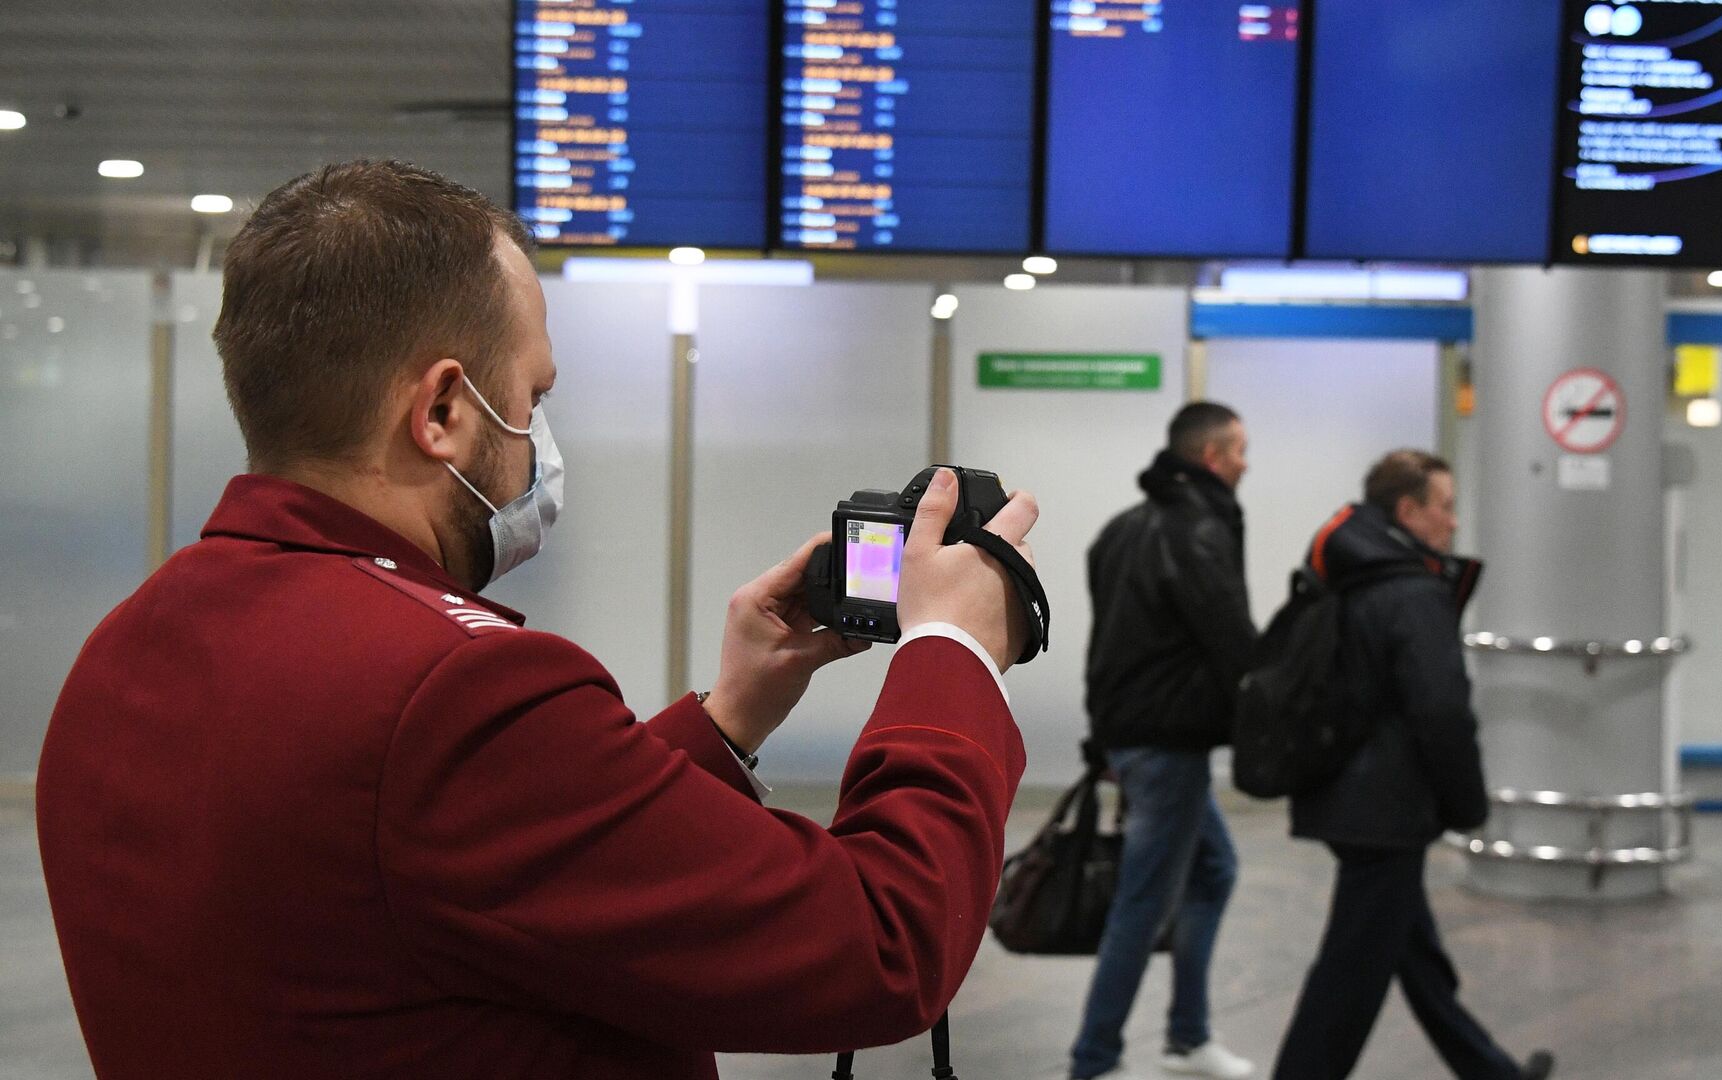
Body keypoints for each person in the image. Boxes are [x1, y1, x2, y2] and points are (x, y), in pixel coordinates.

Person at [35, 160, 1041, 1080]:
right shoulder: (448, 688)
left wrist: (728, 715)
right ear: (442, 412)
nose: (540, 440)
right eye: (534, 394)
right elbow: (877, 948)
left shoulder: (127, 646)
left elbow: (464, 873)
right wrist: (950, 653)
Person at [1272, 450, 1551, 1080]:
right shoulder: (1412, 593)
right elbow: (1443, 712)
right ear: (1408, 510)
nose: (1454, 523)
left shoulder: (1345, 576)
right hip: (1385, 810)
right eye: (1444, 507)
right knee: (1348, 982)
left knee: (1415, 958)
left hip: (1349, 793)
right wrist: (1467, 804)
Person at [1069, 402, 1260, 1080]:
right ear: (1211, 456)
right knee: (1143, 901)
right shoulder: (1199, 529)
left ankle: (1186, 1037)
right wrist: (1271, 717)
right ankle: (1095, 1059)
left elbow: (1107, 646)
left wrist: (1104, 736)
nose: (1246, 461)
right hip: (1168, 743)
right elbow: (1230, 637)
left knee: (1213, 870)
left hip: (1135, 736)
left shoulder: (1120, 530)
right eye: (1238, 449)